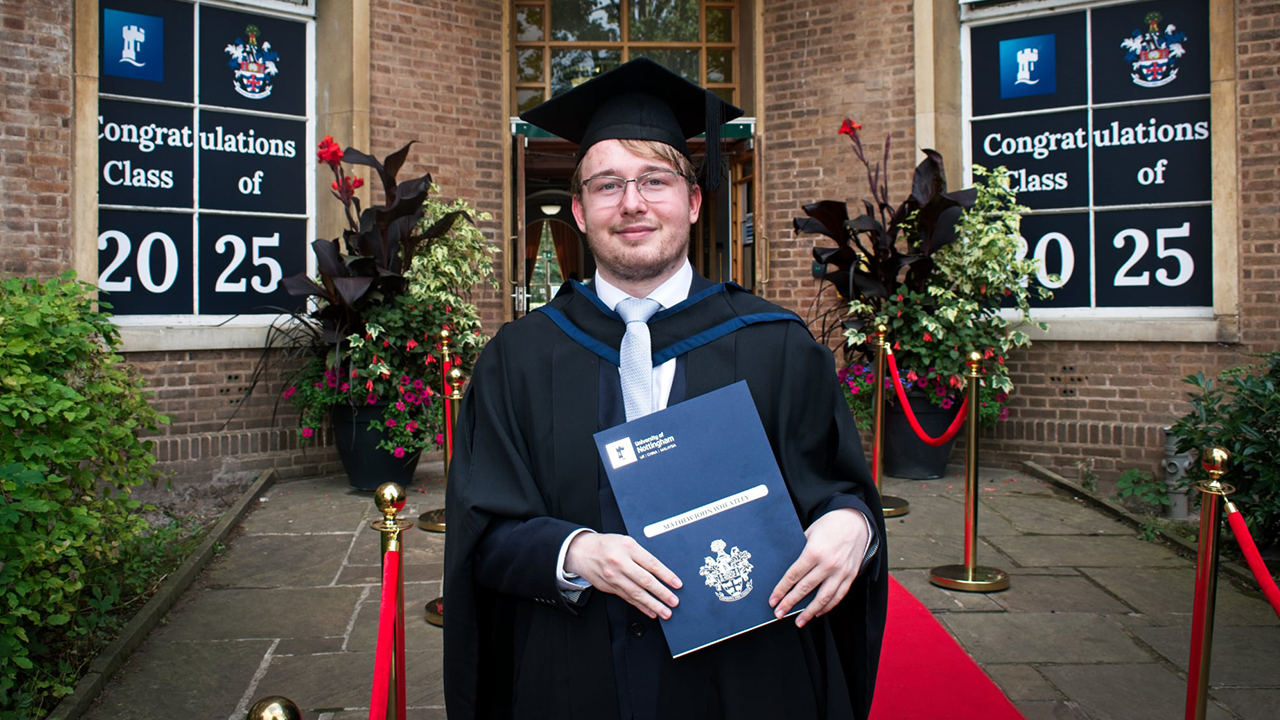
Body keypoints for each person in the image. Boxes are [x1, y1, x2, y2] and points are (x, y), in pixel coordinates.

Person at [443, 58, 887, 720]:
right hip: (575, 677)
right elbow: (482, 536)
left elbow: (839, 491)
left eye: (655, 179)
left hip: (747, 678)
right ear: (578, 209)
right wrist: (575, 553)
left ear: (693, 199)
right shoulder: (519, 358)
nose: (632, 203)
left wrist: (853, 527)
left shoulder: (777, 345)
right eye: (607, 185)